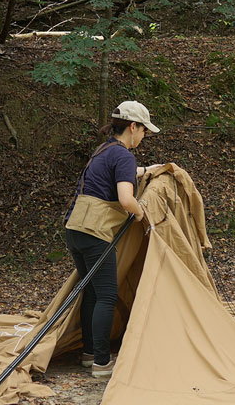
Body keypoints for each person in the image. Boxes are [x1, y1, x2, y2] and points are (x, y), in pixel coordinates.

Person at [64, 101, 162, 379]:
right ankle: (102, 363)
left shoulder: (105, 149)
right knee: (107, 294)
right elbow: (126, 199)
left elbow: (118, 176)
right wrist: (145, 214)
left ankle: (89, 354)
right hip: (96, 233)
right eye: (144, 130)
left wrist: (146, 170)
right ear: (133, 127)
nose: (144, 137)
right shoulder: (123, 156)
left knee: (92, 292)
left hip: (75, 229)